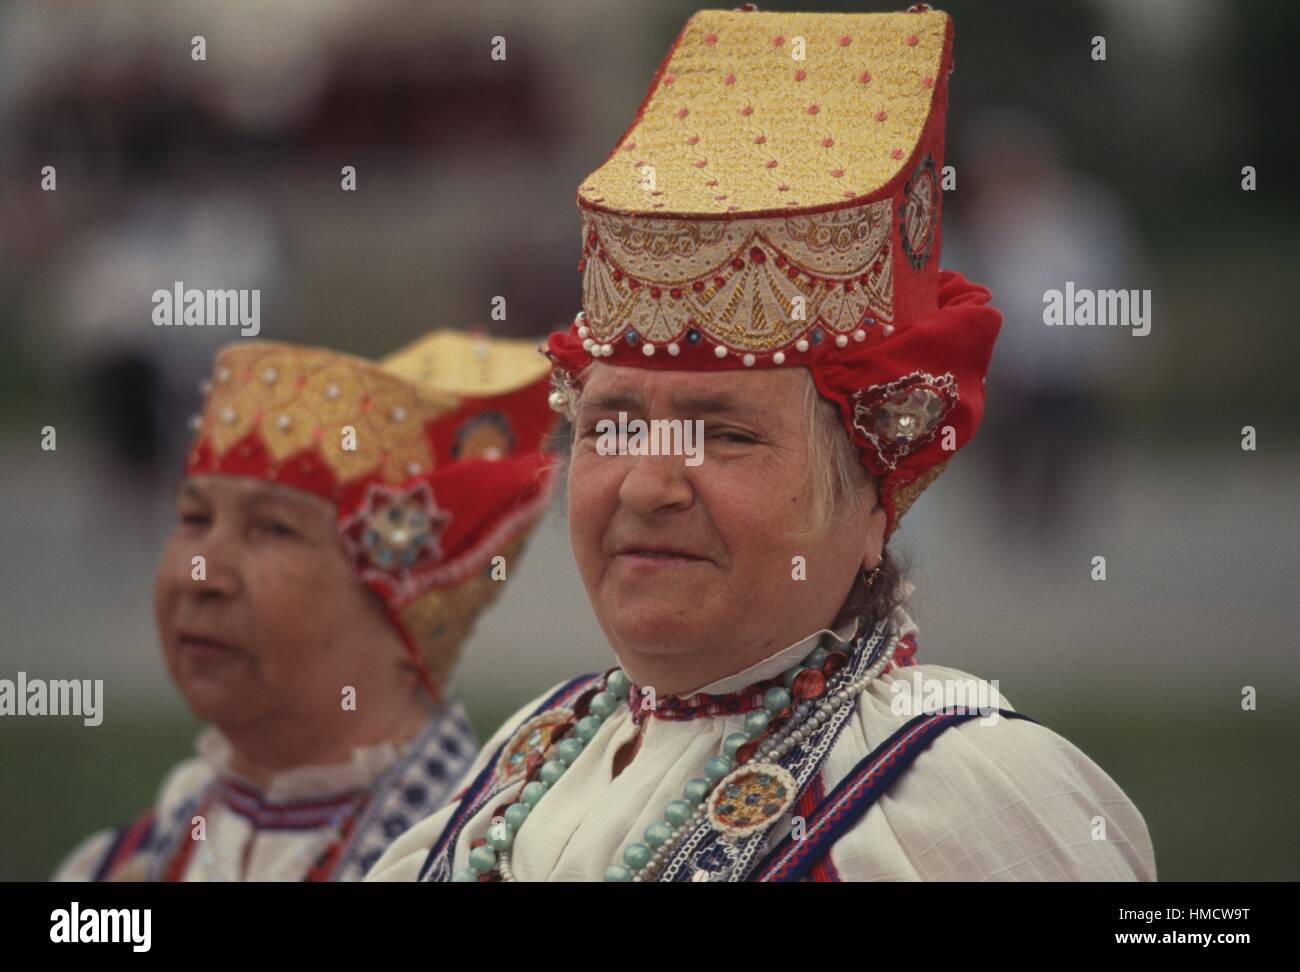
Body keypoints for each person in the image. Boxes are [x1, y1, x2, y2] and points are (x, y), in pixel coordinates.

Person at [368, 6, 1156, 882]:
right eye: (615, 425)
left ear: (869, 502)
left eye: (725, 433)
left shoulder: (963, 796)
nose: (644, 486)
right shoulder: (519, 762)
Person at [54, 329, 558, 881]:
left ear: (410, 608)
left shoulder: (481, 861)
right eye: (194, 518)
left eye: (273, 528)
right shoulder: (126, 864)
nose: (200, 576)